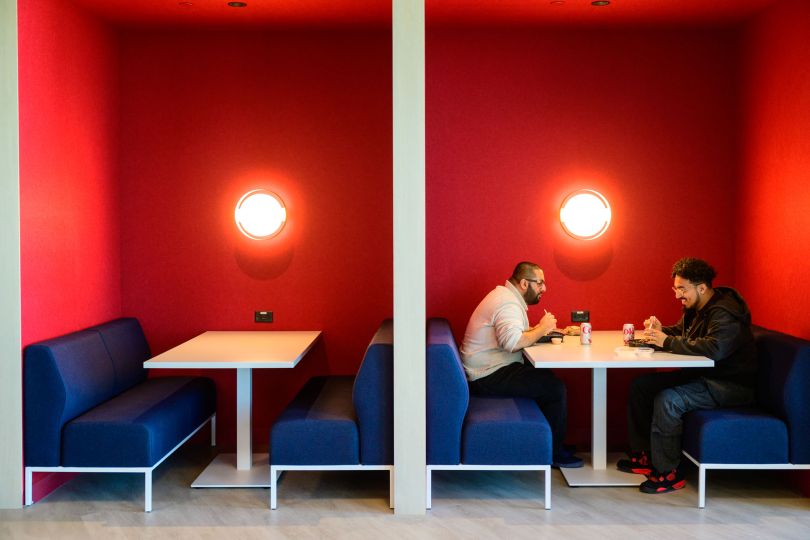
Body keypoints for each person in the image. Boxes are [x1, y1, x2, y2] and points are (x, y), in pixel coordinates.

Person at [618, 257, 757, 494]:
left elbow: (715, 348)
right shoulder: (698, 308)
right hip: (704, 376)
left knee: (668, 400)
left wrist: (668, 341)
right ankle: (647, 456)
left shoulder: (725, 313)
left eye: (682, 289)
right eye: (675, 289)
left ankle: (669, 472)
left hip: (729, 384)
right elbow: (686, 334)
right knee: (642, 386)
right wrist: (660, 331)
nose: (677, 296)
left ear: (701, 287)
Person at [460, 261, 583, 468]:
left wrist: (536, 330)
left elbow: (512, 334)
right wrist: (542, 329)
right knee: (554, 388)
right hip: (485, 375)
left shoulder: (506, 297)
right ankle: (553, 453)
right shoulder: (507, 303)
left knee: (548, 379)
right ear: (525, 283)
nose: (544, 288)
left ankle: (551, 442)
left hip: (489, 368)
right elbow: (512, 342)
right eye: (540, 283)